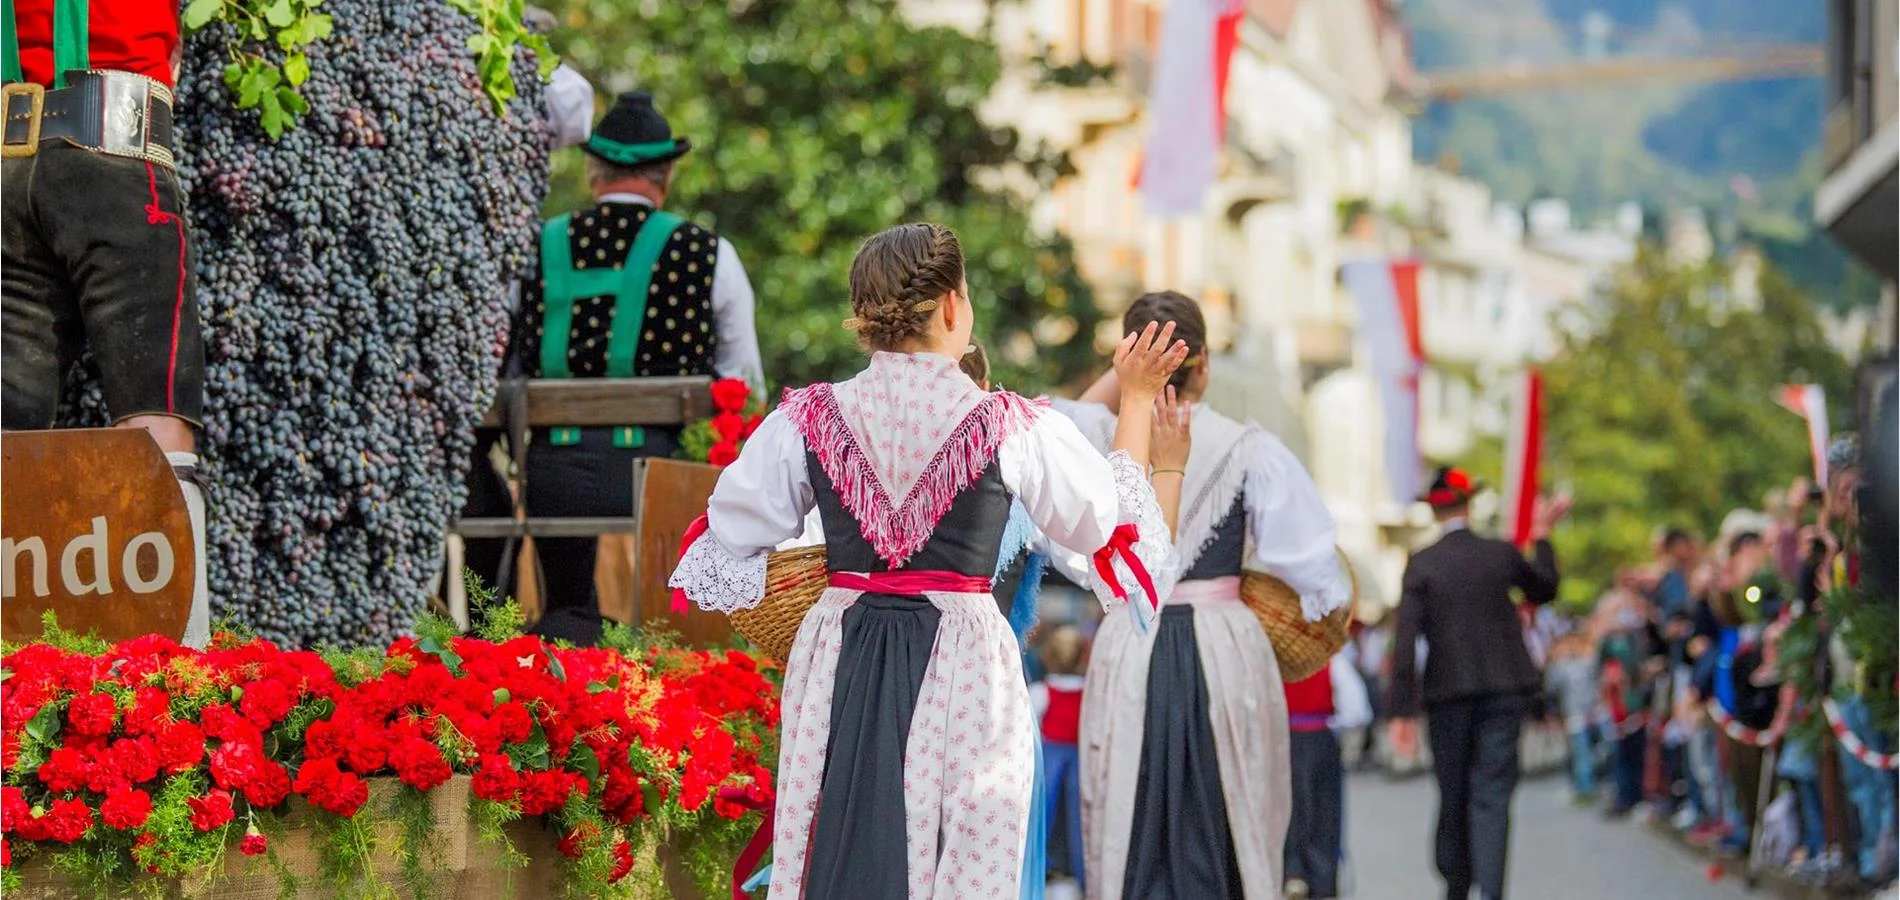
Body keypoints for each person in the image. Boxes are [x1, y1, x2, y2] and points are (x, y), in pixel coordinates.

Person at [668, 222, 1187, 899]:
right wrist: (1137, 400)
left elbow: (734, 531)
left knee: (842, 841)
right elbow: (1105, 527)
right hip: (964, 659)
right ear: (950, 306)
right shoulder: (1010, 424)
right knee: (965, 852)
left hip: (843, 648)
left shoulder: (810, 418)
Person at [1060, 291, 1353, 900]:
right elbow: (1318, 573)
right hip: (1221, 641)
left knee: (1129, 804)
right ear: (1205, 364)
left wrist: (1128, 380)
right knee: (1228, 801)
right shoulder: (1250, 449)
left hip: (1130, 637)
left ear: (1124, 360)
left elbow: (1067, 413)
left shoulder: (1094, 437)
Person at [510, 91, 763, 645]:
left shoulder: (534, 248)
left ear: (592, 172)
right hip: (663, 478)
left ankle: (569, 635)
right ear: (665, 175)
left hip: (552, 475)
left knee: (567, 606)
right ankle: (668, 658)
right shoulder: (707, 253)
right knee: (673, 624)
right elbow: (744, 380)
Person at [1, 0, 210, 646]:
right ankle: (176, 672)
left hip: (7, 168)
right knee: (156, 417)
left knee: (7, 425)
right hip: (115, 144)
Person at [1388, 466, 1568, 900]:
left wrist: (1401, 710)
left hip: (1448, 696)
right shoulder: (1499, 553)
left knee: (1453, 792)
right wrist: (1543, 536)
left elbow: (1405, 642)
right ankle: (1490, 890)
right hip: (1505, 689)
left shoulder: (1423, 563)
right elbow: (1544, 589)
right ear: (1468, 506)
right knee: (1492, 794)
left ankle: (1456, 885)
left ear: (1434, 512)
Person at [1031, 624, 1090, 900]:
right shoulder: (1089, 693)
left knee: (1044, 815)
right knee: (1079, 819)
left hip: (1049, 764)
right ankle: (1080, 872)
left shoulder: (1041, 691)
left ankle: (1043, 868)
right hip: (1080, 764)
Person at [1544, 630, 1601, 803]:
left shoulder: (1587, 662)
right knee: (1581, 753)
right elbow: (1551, 690)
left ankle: (1592, 784)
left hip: (1593, 713)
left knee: (1596, 750)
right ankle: (1584, 788)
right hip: (1574, 716)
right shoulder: (1559, 668)